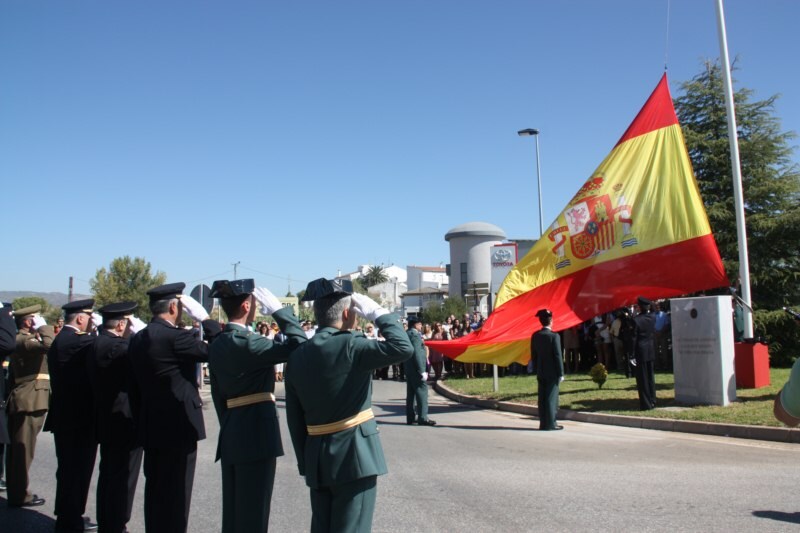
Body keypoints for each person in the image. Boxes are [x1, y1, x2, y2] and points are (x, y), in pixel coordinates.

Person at [285, 278, 413, 533]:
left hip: (317, 458)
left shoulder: (298, 355)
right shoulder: (353, 345)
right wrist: (379, 314)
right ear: (347, 314)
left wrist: (305, 461)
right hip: (356, 456)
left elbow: (294, 417)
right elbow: (403, 347)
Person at [208, 280, 306, 533]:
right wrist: (280, 312)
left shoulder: (218, 342)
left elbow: (218, 395)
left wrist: (228, 424)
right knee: (254, 510)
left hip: (231, 429)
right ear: (246, 305)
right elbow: (300, 345)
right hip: (257, 433)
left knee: (233, 509)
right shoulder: (250, 342)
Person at [128, 282, 219, 533]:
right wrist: (205, 319)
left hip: (150, 423)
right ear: (173, 306)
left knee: (156, 489)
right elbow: (218, 349)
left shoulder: (138, 338)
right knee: (177, 493)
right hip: (178, 425)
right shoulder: (175, 338)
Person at [87, 301, 143, 533]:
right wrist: (142, 334)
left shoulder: (95, 343)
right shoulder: (119, 347)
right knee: (123, 477)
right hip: (124, 419)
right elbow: (143, 359)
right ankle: (116, 524)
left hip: (105, 416)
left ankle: (107, 522)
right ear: (121, 324)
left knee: (108, 473)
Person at [45, 298, 99, 532]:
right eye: (89, 317)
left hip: (66, 416)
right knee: (77, 471)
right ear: (80, 318)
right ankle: (70, 520)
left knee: (68, 470)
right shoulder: (76, 341)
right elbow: (103, 346)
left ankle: (67, 516)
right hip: (78, 419)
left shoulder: (63, 339)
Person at [5, 304, 54, 508]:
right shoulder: (24, 340)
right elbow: (50, 345)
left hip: (30, 399)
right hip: (29, 400)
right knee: (22, 452)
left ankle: (17, 491)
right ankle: (19, 495)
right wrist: (44, 328)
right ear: (28, 321)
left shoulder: (26, 339)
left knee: (21, 451)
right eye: (35, 317)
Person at [531, 309, 564, 431]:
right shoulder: (554, 336)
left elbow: (534, 355)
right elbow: (558, 356)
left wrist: (536, 368)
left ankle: (543, 423)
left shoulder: (535, 336)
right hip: (552, 371)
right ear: (551, 321)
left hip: (541, 370)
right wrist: (561, 373)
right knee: (551, 398)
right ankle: (551, 424)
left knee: (542, 398)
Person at [405, 316, 436, 426]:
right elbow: (417, 353)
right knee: (422, 392)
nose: (421, 326)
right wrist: (422, 370)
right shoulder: (415, 336)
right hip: (416, 369)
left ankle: (410, 417)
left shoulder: (407, 333)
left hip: (409, 368)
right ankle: (423, 417)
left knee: (411, 394)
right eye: (419, 324)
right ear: (414, 325)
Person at [632, 296, 657, 410]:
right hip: (650, 348)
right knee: (650, 377)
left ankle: (646, 403)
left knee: (642, 378)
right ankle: (653, 399)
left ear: (640, 307)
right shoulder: (652, 317)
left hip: (640, 350)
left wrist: (631, 354)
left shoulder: (636, 320)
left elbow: (634, 338)